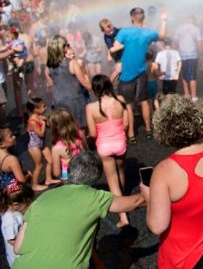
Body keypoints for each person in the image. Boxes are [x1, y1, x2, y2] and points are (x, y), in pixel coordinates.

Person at [141, 95, 203, 269]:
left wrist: (148, 197)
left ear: (163, 129)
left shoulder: (164, 170)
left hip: (186, 255)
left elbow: (157, 226)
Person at [12, 152, 145, 269]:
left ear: (70, 170)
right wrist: (152, 191)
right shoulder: (94, 197)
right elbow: (135, 202)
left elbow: (17, 248)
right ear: (96, 176)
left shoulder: (42, 198)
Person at [110, 7, 167, 142]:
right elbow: (163, 36)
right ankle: (148, 130)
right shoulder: (148, 33)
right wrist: (164, 21)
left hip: (126, 75)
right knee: (144, 102)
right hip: (141, 73)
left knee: (128, 105)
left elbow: (114, 47)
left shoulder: (124, 32)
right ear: (143, 18)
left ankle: (131, 134)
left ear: (132, 18)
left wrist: (119, 47)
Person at [86, 74, 130, 228]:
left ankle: (123, 217)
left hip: (104, 145)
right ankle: (124, 198)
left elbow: (92, 133)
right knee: (121, 172)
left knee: (112, 182)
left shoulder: (91, 108)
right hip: (120, 142)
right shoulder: (120, 100)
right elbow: (125, 124)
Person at [45, 34, 91, 128]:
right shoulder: (72, 63)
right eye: (67, 44)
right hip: (75, 101)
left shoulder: (48, 67)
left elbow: (50, 87)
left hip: (59, 102)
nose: (68, 46)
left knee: (65, 129)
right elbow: (84, 83)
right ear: (61, 48)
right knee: (79, 129)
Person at [49, 109, 88, 182]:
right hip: (83, 171)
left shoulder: (56, 148)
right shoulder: (80, 135)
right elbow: (86, 152)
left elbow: (56, 173)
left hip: (68, 177)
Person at [1, 182, 34, 267]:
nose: (30, 203)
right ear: (16, 204)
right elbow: (11, 240)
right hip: (18, 258)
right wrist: (29, 247)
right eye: (27, 202)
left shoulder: (16, 213)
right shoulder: (9, 220)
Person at [25, 98, 55, 191]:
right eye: (43, 107)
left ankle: (48, 179)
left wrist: (46, 121)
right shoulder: (32, 121)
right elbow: (41, 133)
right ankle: (34, 185)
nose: (46, 108)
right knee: (39, 165)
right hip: (34, 147)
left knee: (50, 161)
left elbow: (48, 126)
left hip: (41, 144)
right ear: (35, 109)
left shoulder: (39, 117)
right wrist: (43, 123)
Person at [173, 16, 203, 101]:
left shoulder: (179, 28)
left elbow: (175, 42)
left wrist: (174, 53)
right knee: (192, 76)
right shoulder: (195, 28)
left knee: (184, 75)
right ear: (192, 20)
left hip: (181, 55)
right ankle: (193, 97)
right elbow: (199, 43)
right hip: (192, 55)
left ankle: (187, 94)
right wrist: (201, 55)